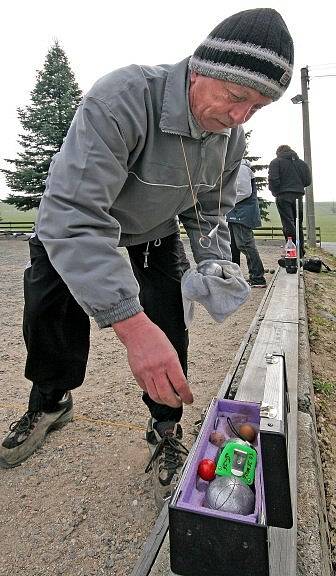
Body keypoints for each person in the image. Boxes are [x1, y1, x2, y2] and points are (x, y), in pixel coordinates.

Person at [0, 9, 294, 508]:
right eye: (237, 96)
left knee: (168, 324)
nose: (241, 116)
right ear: (200, 69)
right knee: (52, 314)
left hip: (153, 232)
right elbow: (75, 214)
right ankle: (50, 401)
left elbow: (210, 207)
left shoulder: (231, 133)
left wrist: (212, 263)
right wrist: (129, 326)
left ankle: (165, 425)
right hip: (74, 221)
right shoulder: (125, 96)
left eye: (259, 107)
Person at [227, 158, 266, 287]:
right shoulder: (236, 166)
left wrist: (225, 202)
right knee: (233, 246)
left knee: (245, 244)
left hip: (241, 212)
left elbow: (244, 192)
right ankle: (235, 276)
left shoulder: (241, 168)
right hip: (236, 212)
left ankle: (257, 277)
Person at [268, 145, 311, 257]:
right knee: (298, 224)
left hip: (283, 195)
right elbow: (307, 181)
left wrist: (275, 191)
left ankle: (292, 252)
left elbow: (273, 179)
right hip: (298, 196)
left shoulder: (276, 162)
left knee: (288, 223)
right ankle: (300, 252)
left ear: (278, 152)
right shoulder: (301, 163)